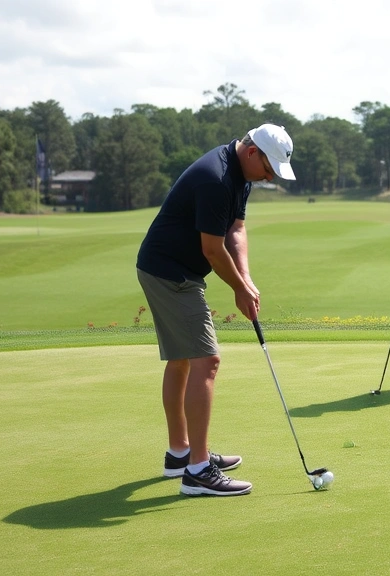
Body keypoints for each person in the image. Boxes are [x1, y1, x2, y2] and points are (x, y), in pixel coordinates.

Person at [136, 124, 296, 496]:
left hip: (169, 268)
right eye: (269, 169)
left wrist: (246, 278)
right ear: (253, 151)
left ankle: (181, 453)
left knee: (182, 360)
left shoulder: (241, 175)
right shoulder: (216, 178)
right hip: (171, 273)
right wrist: (239, 289)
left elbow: (235, 229)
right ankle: (198, 471)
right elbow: (211, 248)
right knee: (206, 361)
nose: (269, 178)